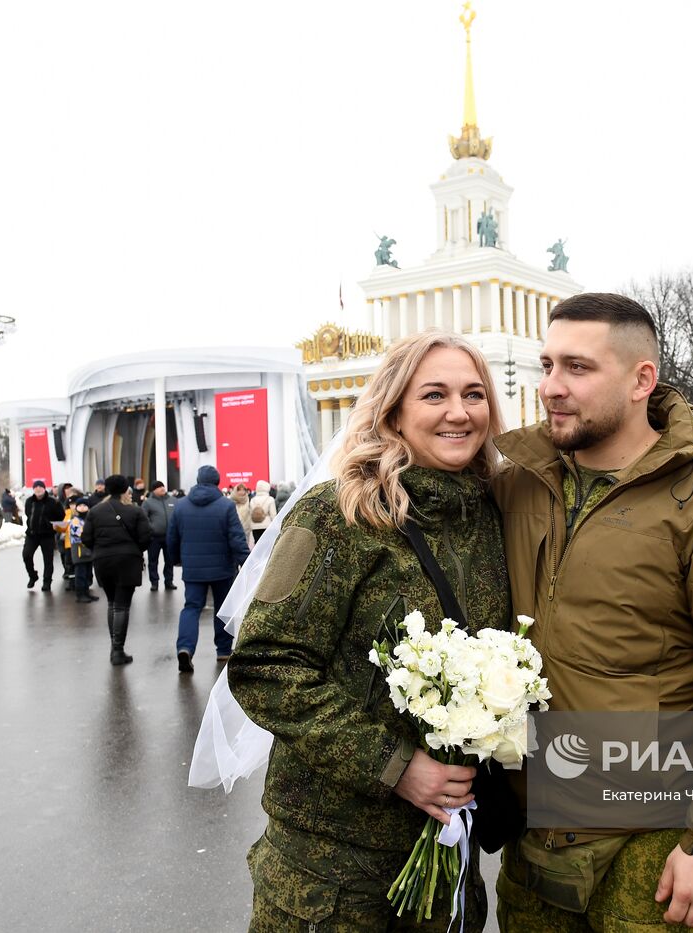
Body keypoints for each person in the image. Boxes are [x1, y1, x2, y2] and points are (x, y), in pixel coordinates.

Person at [492, 293, 693, 932]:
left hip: (653, 848)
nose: (552, 387)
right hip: (536, 837)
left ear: (642, 380)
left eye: (578, 368)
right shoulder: (519, 483)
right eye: (546, 365)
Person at [227, 331, 509, 932]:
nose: (459, 412)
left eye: (474, 394)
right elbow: (266, 665)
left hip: (448, 857)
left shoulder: (495, 518)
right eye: (434, 394)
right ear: (393, 412)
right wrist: (394, 766)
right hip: (332, 870)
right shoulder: (338, 514)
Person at [168, 466, 250, 672]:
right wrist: (246, 562)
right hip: (222, 568)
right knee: (222, 608)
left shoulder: (181, 505)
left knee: (191, 608)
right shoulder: (226, 506)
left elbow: (172, 537)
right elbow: (236, 538)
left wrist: (176, 559)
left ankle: (185, 647)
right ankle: (223, 649)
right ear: (217, 481)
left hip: (193, 569)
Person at [81, 474, 152, 665]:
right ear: (125, 490)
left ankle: (115, 647)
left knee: (112, 603)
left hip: (103, 561)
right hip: (128, 561)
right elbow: (146, 537)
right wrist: (134, 549)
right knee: (122, 605)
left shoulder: (95, 511)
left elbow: (86, 538)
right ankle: (117, 650)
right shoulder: (134, 512)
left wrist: (100, 549)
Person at [22, 480, 65, 591]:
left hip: (47, 535)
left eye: (40, 487)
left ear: (44, 488)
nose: (38, 489)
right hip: (32, 534)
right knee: (26, 555)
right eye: (36, 487)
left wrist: (52, 524)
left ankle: (47, 581)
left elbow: (61, 515)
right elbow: (28, 514)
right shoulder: (29, 501)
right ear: (33, 489)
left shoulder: (53, 502)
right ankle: (33, 576)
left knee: (48, 560)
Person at [141, 479, 178, 590]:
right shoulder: (148, 502)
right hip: (154, 538)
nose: (162, 488)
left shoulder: (173, 500)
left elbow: (178, 515)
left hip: (170, 536)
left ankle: (169, 581)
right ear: (154, 490)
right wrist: (151, 528)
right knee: (153, 561)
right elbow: (143, 518)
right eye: (159, 487)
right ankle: (154, 582)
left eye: (163, 486)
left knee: (170, 561)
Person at [69, 497, 98, 603]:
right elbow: (81, 534)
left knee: (87, 572)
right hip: (79, 549)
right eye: (80, 506)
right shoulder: (75, 520)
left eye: (85, 505)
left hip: (88, 548)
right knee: (80, 572)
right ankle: (80, 594)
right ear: (76, 508)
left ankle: (86, 592)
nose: (82, 508)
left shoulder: (89, 520)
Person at [231, 482, 255, 549]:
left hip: (246, 527)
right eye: (239, 490)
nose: (242, 492)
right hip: (234, 527)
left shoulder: (249, 500)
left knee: (245, 546)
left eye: (243, 490)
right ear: (236, 490)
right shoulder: (231, 501)